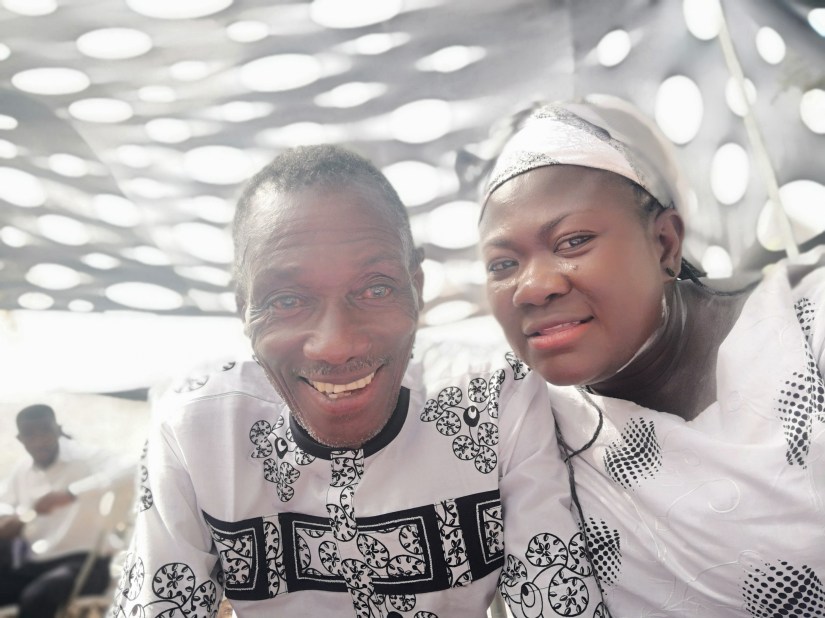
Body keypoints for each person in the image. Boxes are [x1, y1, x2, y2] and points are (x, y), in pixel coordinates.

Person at [109, 144, 607, 618]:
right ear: (245, 310)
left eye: (375, 289)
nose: (336, 345)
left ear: (416, 288)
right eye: (287, 300)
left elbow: (556, 594)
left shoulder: (496, 400)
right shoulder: (198, 430)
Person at [477, 95, 825, 617]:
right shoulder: (527, 429)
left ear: (665, 243)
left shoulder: (803, 324)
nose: (532, 287)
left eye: (572, 241)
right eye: (503, 264)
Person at [0, 404, 134, 617]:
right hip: (37, 562)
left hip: (86, 563)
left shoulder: (85, 457)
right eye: (30, 434)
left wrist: (71, 493)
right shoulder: (22, 470)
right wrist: (7, 517)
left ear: (58, 430)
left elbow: (132, 467)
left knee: (38, 596)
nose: (39, 440)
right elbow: (5, 502)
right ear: (20, 439)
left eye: (45, 431)